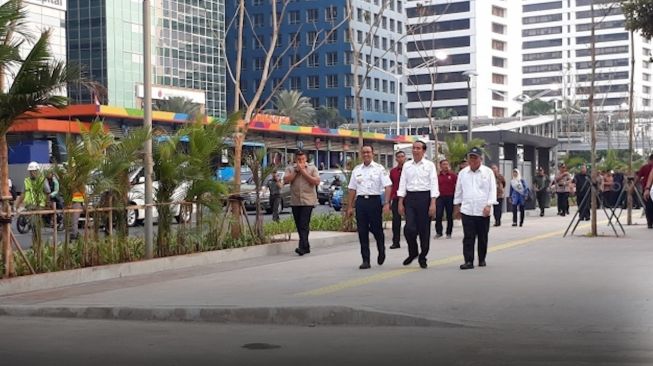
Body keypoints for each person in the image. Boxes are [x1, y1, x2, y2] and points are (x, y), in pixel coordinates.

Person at [346, 145, 392, 269]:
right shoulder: (357, 170)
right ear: (361, 154)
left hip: (374, 201)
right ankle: (365, 260)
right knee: (362, 231)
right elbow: (352, 189)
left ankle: (381, 249)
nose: (366, 154)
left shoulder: (379, 168)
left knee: (376, 229)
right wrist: (350, 206)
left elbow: (388, 186)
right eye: (364, 152)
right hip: (361, 202)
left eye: (368, 152)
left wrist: (387, 203)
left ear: (373, 154)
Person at [397, 141, 439, 269]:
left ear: (423, 151)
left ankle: (423, 256)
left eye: (418, 148)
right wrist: (400, 202)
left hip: (425, 198)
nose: (415, 150)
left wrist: (433, 203)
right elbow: (402, 183)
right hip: (410, 198)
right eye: (414, 148)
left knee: (424, 230)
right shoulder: (407, 165)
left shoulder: (429, 165)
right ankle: (413, 251)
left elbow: (433, 184)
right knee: (409, 228)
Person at [454, 147, 497, 270]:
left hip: (483, 210)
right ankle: (468, 261)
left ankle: (482, 258)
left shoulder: (488, 172)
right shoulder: (463, 173)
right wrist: (456, 206)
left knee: (482, 236)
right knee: (468, 237)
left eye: (475, 157)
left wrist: (489, 205)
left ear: (480, 159)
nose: (472, 160)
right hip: (467, 210)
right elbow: (458, 191)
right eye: (470, 157)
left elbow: (492, 190)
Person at [284, 151, 320, 256]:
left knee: (304, 224)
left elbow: (316, 181)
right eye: (298, 160)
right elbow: (286, 180)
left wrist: (303, 172)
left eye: (303, 159)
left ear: (306, 159)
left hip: (308, 201)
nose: (301, 162)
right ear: (295, 159)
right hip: (295, 201)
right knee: (299, 225)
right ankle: (306, 246)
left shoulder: (312, 168)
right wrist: (296, 171)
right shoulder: (290, 168)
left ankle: (302, 247)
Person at [435, 159, 457, 239]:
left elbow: (458, 186)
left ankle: (449, 232)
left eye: (447, 164)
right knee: (438, 215)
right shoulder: (437, 177)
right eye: (444, 164)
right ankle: (439, 232)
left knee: (449, 215)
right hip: (440, 198)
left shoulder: (453, 175)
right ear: (440, 166)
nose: (446, 166)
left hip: (450, 197)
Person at [389, 150, 406, 249]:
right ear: (396, 159)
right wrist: (390, 199)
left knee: (410, 221)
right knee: (396, 221)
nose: (400, 158)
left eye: (402, 156)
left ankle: (411, 240)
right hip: (396, 198)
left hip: (408, 198)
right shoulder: (393, 172)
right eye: (398, 157)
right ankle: (396, 242)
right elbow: (391, 185)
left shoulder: (409, 170)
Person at [637, 154, 653, 227]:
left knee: (648, 206)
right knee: (649, 206)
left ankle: (649, 222)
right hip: (649, 189)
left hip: (647, 188)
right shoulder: (646, 167)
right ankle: (650, 222)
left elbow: (638, 177)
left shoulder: (644, 167)